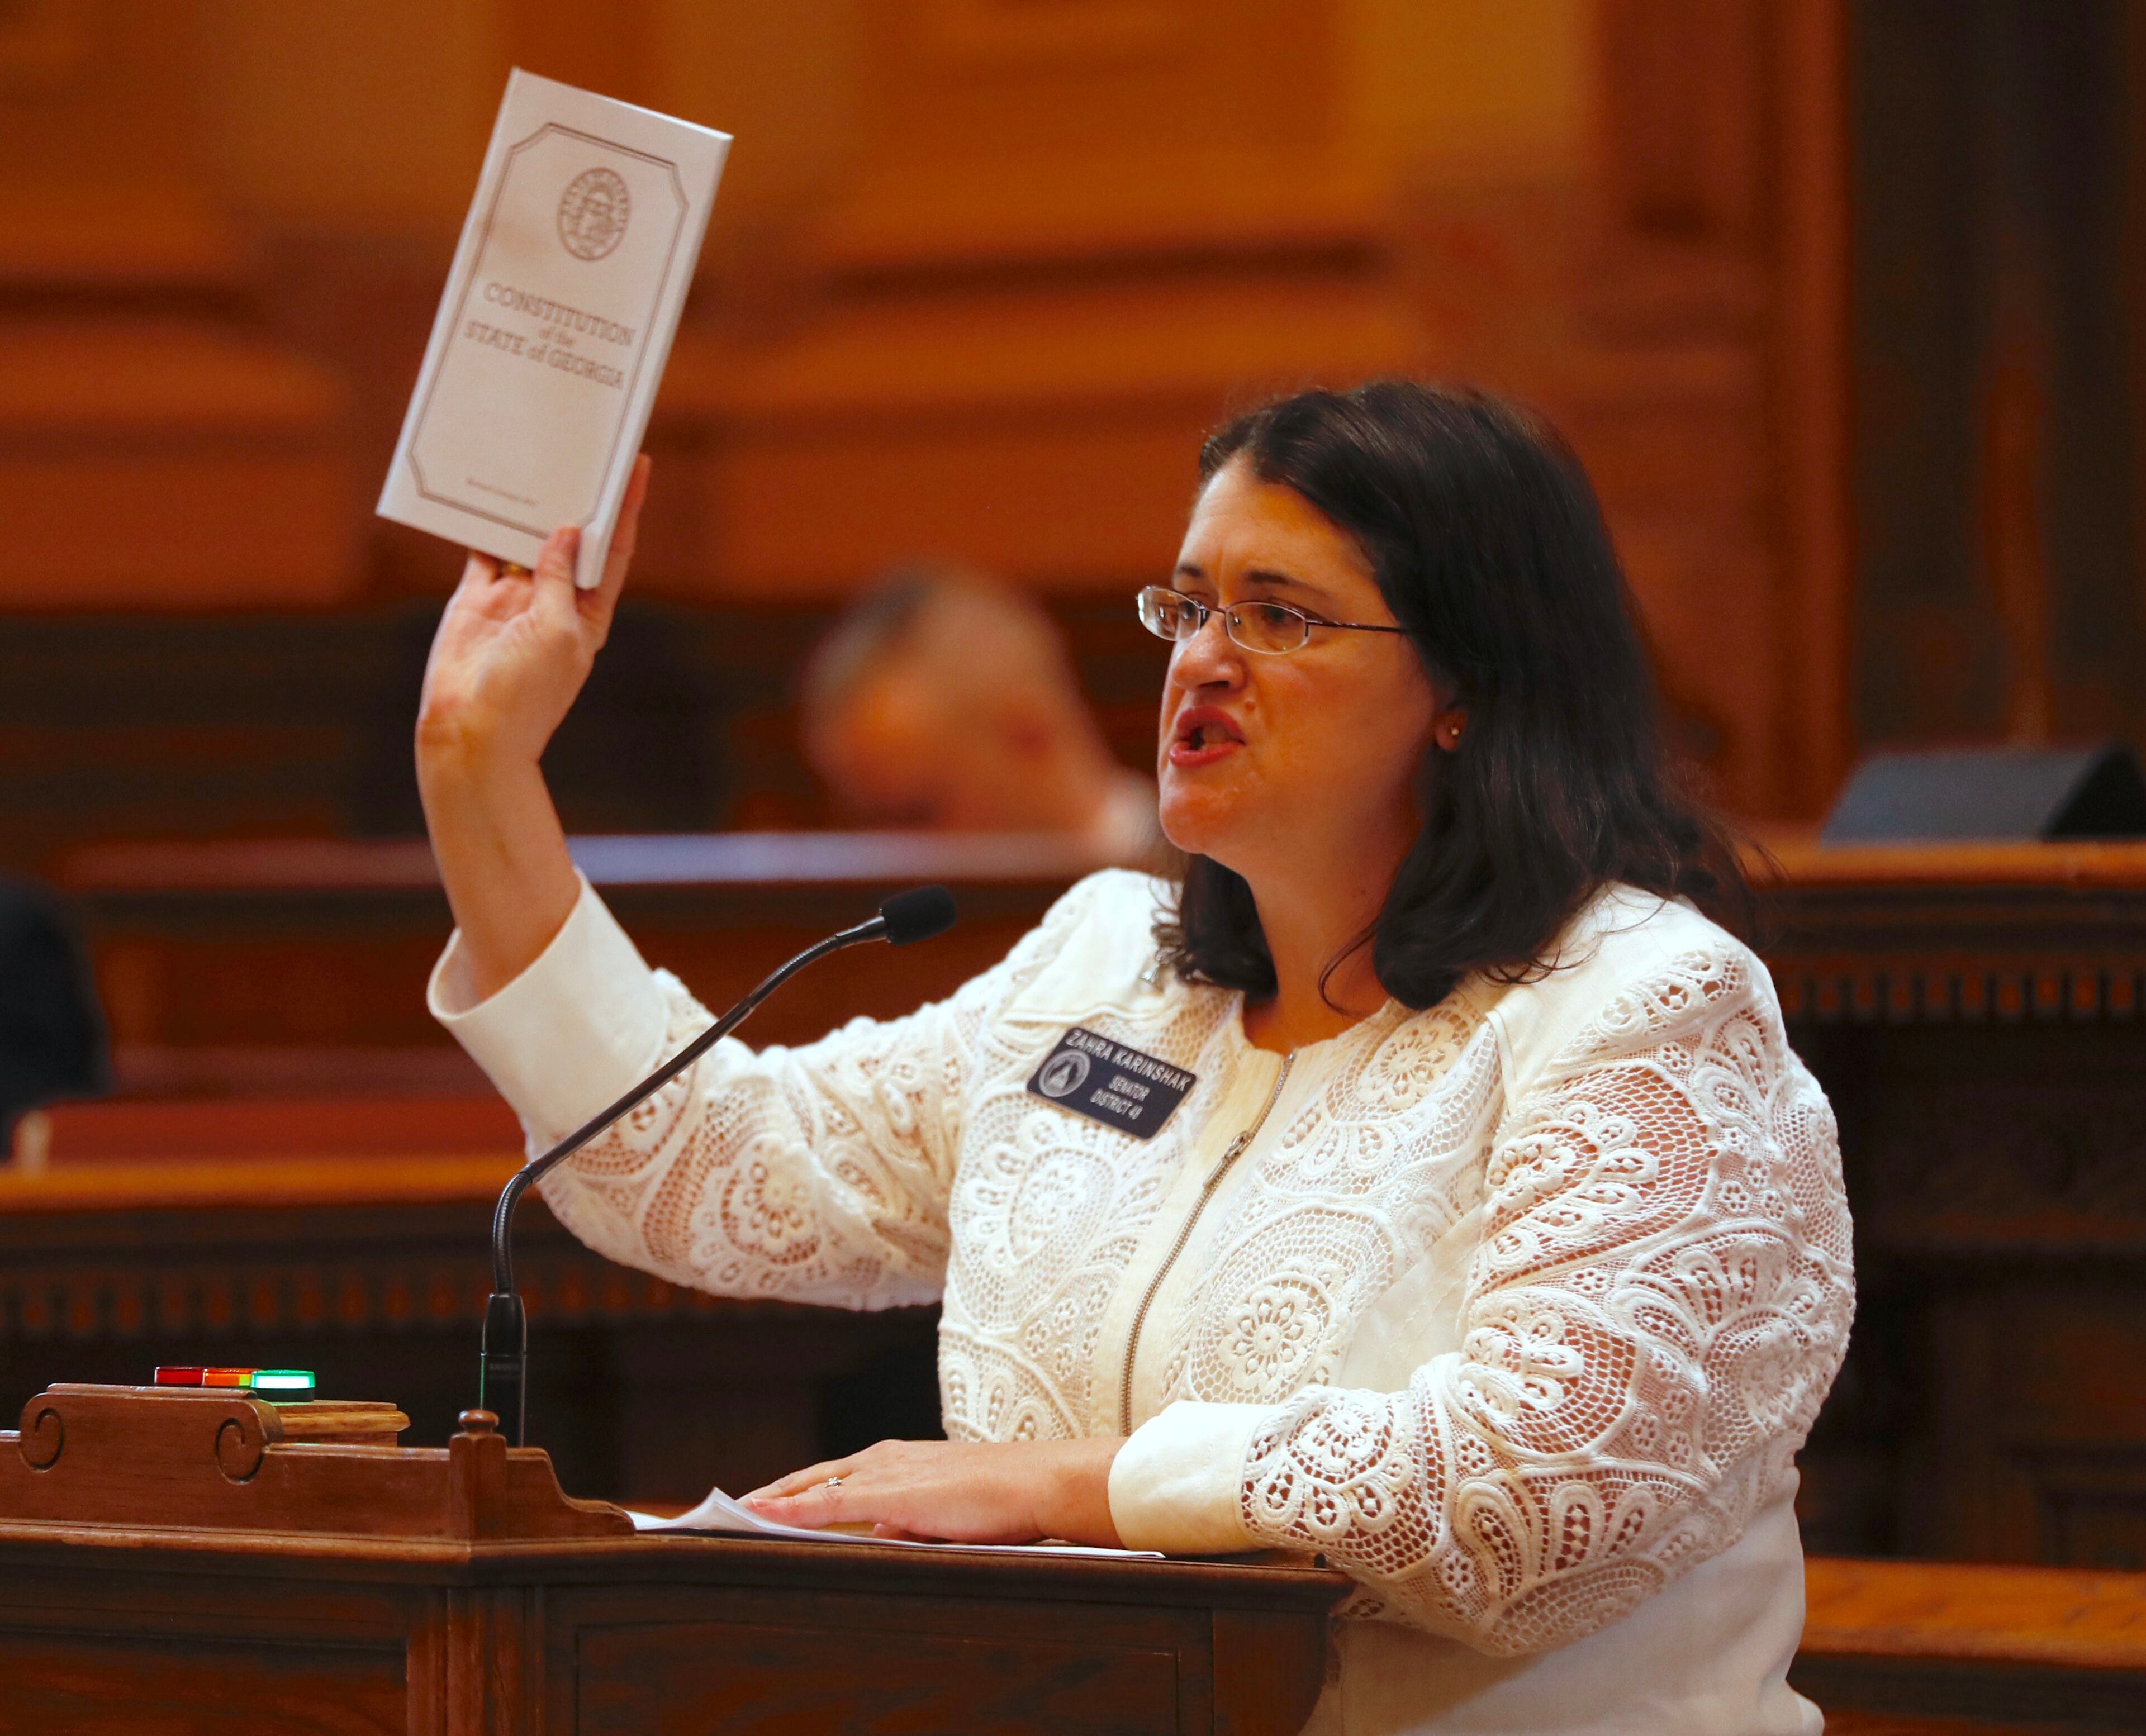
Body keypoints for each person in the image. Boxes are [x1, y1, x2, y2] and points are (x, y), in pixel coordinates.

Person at [417, 382, 1854, 1734]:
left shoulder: (1641, 1008)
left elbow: (1534, 1499)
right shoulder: (1104, 972)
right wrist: (478, 764)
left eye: (1281, 613)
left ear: (1464, 684)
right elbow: (715, 1168)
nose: (1203, 658)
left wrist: (1054, 1487)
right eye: (1189, 603)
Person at [799, 560, 1166, 867]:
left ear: (1028, 733)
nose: (881, 859)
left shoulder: (1204, 895)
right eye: (859, 822)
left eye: (916, 813)